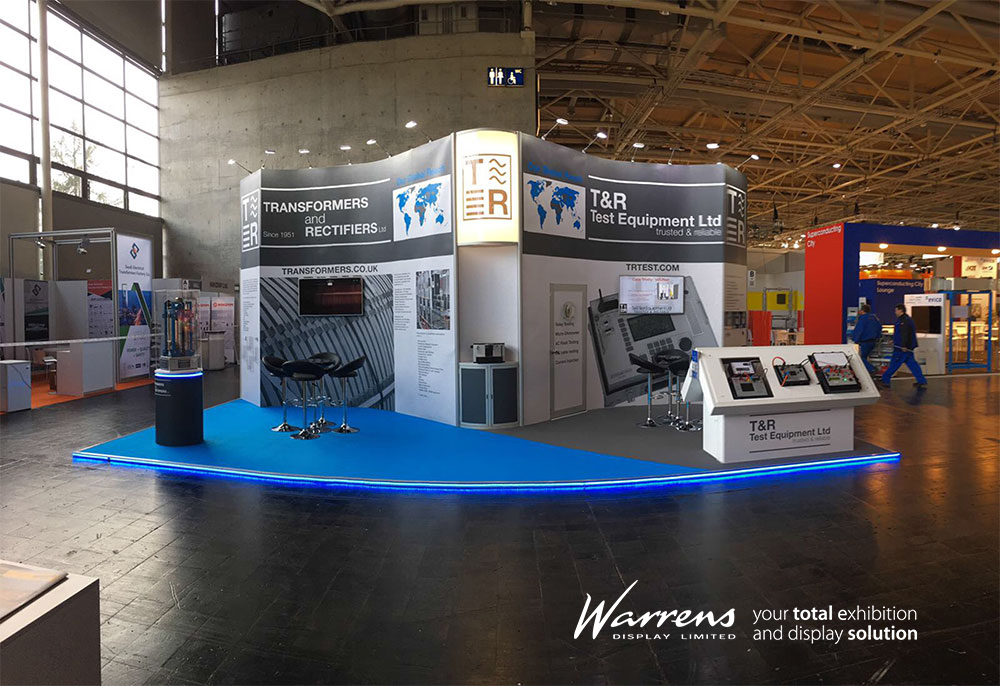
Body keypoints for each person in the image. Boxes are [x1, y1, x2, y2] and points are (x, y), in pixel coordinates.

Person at [881, 304, 927, 389]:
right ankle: (921, 380)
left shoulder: (903, 321)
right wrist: (894, 340)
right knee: (913, 365)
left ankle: (885, 380)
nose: (895, 312)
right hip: (907, 347)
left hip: (901, 348)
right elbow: (900, 333)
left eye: (896, 310)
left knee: (894, 364)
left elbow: (904, 334)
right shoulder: (906, 320)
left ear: (900, 310)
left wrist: (903, 345)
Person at [851, 303, 881, 375]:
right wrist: (878, 337)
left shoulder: (862, 319)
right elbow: (879, 328)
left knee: (861, 358)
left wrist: (855, 340)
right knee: (865, 357)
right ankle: (869, 370)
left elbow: (859, 330)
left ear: (862, 311)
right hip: (873, 342)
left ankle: (872, 369)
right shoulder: (874, 318)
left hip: (865, 342)